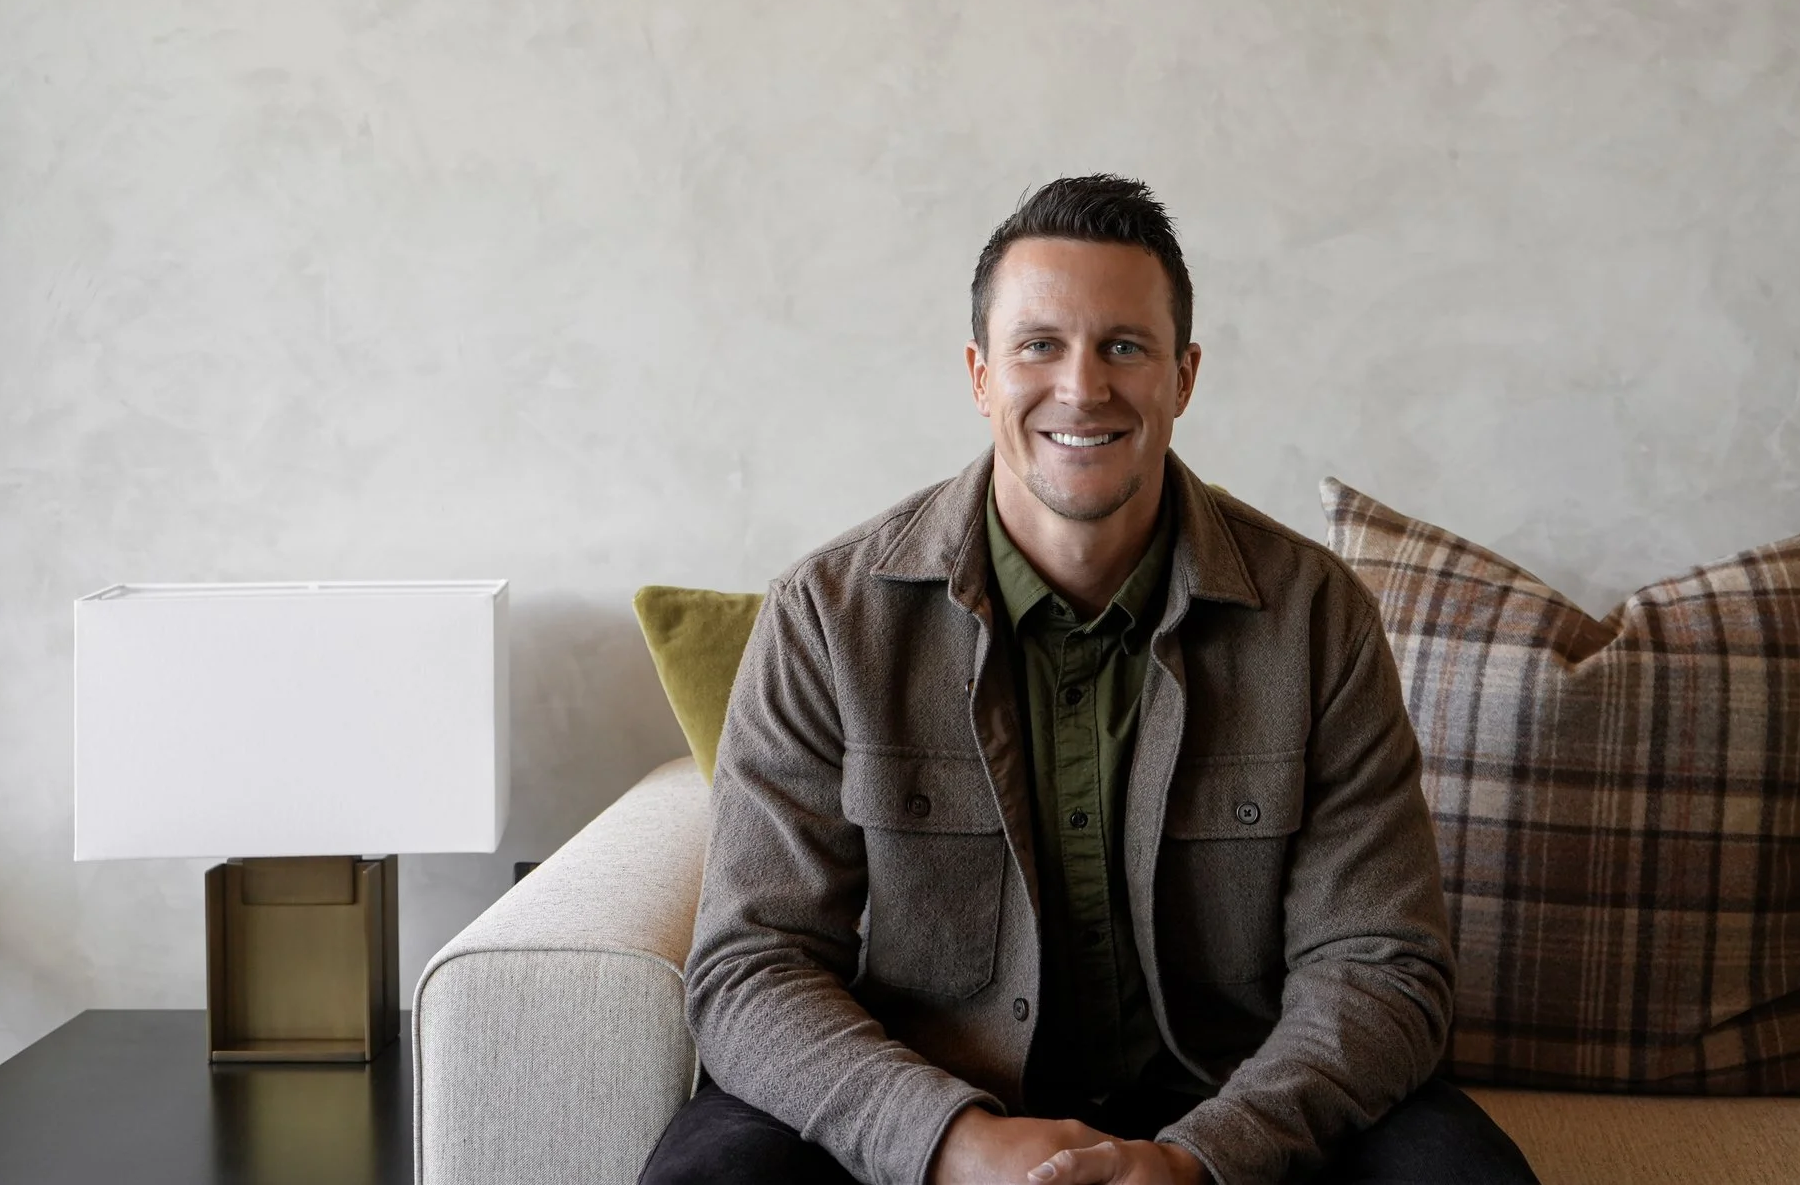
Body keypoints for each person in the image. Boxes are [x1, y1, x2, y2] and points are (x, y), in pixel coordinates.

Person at [643, 176, 1538, 1185]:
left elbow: (1383, 962)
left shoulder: (1316, 614)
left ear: (1182, 375)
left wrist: (1203, 1155)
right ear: (980, 375)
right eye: (1038, 346)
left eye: (1124, 345)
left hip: (1230, 1092)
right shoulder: (825, 614)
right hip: (925, 1095)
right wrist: (948, 1140)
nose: (1081, 387)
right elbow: (751, 964)